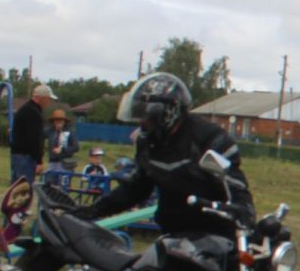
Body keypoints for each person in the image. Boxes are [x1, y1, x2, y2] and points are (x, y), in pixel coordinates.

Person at [75, 73, 253, 234]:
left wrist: (244, 211)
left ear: (168, 112)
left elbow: (236, 186)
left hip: (216, 235)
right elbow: (137, 187)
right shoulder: (149, 143)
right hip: (174, 234)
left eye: (147, 117)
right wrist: (92, 210)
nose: (143, 123)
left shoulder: (209, 138)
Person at [9, 83, 52, 186]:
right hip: (26, 157)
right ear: (42, 98)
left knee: (16, 187)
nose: (49, 102)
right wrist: (39, 161)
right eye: (48, 99)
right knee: (24, 188)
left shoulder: (25, 109)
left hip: (18, 155)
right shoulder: (33, 113)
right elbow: (34, 139)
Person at [45, 108, 79, 175]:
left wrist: (62, 149)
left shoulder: (70, 132)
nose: (58, 122)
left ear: (64, 121)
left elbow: (76, 147)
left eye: (60, 120)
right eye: (56, 120)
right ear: (53, 121)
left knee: (63, 183)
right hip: (52, 162)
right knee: (49, 183)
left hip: (65, 163)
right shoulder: (50, 131)